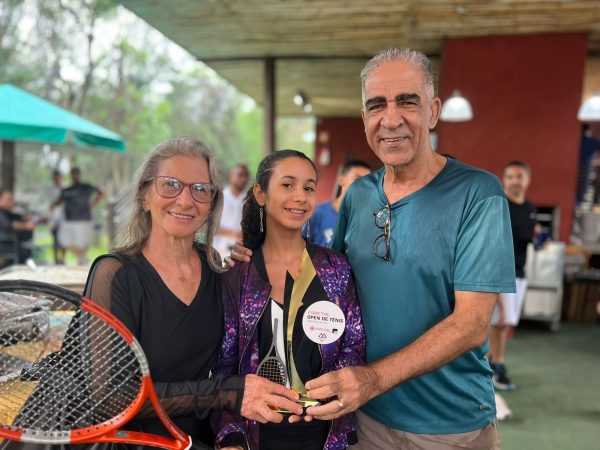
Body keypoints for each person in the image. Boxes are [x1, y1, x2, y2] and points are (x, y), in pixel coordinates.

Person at [230, 48, 515, 449]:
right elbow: (327, 277)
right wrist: (253, 255)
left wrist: (373, 378)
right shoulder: (359, 195)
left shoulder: (478, 193)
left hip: (449, 425)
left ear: (433, 111)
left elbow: (471, 324)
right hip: (361, 419)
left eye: (407, 102)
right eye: (377, 105)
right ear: (365, 118)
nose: (391, 118)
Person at [83, 138, 303, 449]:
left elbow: (239, 359)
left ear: (212, 203)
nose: (186, 201)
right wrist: (225, 393)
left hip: (202, 441)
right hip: (135, 442)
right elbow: (109, 398)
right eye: (170, 184)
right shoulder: (116, 274)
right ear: (144, 195)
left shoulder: (216, 270)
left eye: (201, 189)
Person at [214, 150, 365, 450]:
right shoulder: (237, 277)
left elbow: (355, 345)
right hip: (254, 438)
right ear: (260, 193)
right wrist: (230, 436)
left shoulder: (336, 268)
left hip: (325, 436)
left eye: (309, 187)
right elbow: (222, 369)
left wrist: (332, 391)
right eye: (288, 185)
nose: (300, 196)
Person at [489, 160, 541, 391]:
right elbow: (492, 244)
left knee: (505, 324)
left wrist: (541, 238)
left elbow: (532, 235)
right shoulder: (499, 205)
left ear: (527, 180)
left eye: (519, 176)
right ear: (504, 179)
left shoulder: (530, 209)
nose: (514, 180)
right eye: (509, 176)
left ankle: (497, 363)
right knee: (496, 323)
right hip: (500, 274)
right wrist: (496, 284)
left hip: (520, 272)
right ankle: (492, 366)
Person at [306, 160, 370, 247]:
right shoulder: (316, 213)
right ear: (341, 180)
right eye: (357, 179)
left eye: (367, 181)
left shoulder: (368, 219)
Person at [53, 167, 104, 265]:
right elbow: (59, 200)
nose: (75, 176)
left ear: (80, 175)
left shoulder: (86, 187)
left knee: (83, 243)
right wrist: (52, 205)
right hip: (69, 220)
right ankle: (81, 256)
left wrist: (94, 204)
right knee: (62, 239)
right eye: (73, 174)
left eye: (77, 174)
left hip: (84, 219)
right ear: (71, 176)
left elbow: (101, 192)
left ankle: (82, 262)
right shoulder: (67, 190)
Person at [213, 164, 250, 259]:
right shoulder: (219, 198)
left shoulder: (250, 200)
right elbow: (211, 226)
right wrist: (233, 234)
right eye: (240, 175)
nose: (244, 179)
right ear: (231, 176)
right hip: (220, 251)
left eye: (246, 176)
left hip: (243, 252)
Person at [0, 189, 35, 266]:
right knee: (24, 252)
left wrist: (25, 218)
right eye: (8, 199)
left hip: (11, 244)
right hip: (5, 245)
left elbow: (16, 217)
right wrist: (25, 226)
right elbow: (8, 225)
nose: (11, 202)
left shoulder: (6, 212)